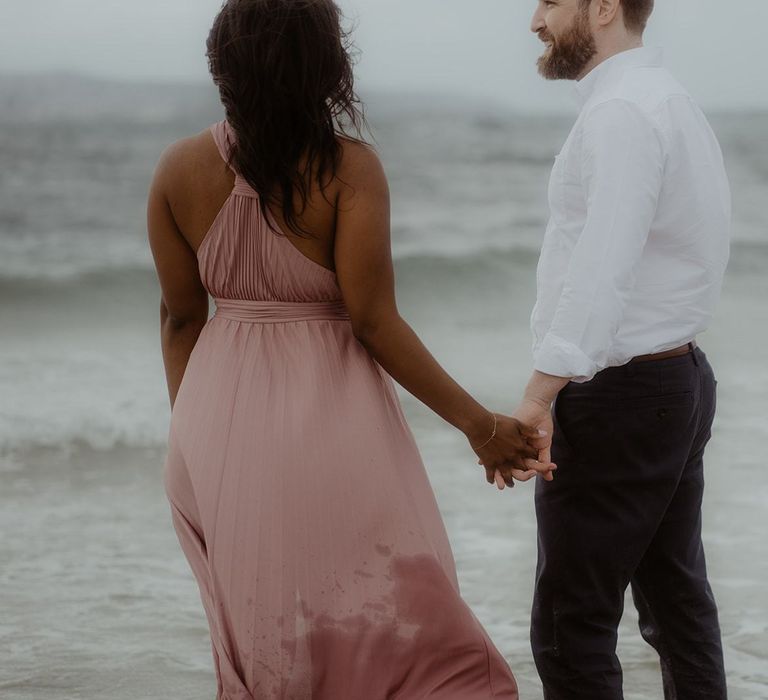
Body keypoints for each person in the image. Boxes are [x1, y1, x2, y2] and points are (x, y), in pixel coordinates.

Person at [147, 1, 555, 697]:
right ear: (326, 69)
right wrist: (479, 426)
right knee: (401, 628)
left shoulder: (177, 170)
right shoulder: (348, 170)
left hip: (209, 430)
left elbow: (181, 320)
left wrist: (200, 436)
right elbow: (373, 321)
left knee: (268, 634)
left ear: (223, 65)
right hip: (331, 423)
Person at [507, 1, 732, 698]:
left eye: (550, 1)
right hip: (676, 381)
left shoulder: (623, 114)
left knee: (570, 629)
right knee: (675, 605)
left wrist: (539, 395)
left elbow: (602, 268)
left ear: (602, 6)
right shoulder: (668, 101)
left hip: (624, 396)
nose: (535, 21)